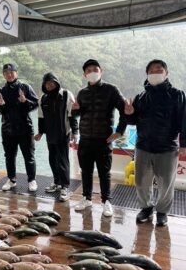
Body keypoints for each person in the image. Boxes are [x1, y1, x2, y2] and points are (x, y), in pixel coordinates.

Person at [124, 59, 186, 226]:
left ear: (167, 73)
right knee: (141, 182)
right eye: (151, 70)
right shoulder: (141, 97)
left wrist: (184, 145)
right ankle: (146, 208)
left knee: (166, 184)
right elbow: (132, 121)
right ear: (147, 74)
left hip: (167, 148)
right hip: (143, 147)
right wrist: (129, 113)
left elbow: (184, 121)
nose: (155, 72)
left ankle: (162, 212)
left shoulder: (178, 95)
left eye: (159, 69)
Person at [72, 59, 127, 216]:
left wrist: (119, 132)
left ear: (101, 70)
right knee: (86, 171)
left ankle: (106, 201)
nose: (92, 72)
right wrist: (74, 110)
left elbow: (124, 110)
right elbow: (76, 114)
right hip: (85, 139)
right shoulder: (82, 93)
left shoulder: (111, 90)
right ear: (84, 74)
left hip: (104, 140)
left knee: (104, 172)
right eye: (88, 71)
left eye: (95, 69)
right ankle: (87, 198)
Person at [0, 63, 39, 192]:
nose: (9, 74)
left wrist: (25, 101)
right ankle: (11, 179)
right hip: (8, 129)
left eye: (12, 72)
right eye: (6, 72)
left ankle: (31, 180)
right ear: (4, 75)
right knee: (9, 156)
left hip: (25, 128)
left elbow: (35, 104)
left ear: (16, 73)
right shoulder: (1, 91)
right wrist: (1, 105)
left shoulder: (25, 87)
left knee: (29, 156)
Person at [34, 72, 78, 202]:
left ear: (57, 82)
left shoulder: (66, 94)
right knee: (52, 159)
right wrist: (40, 133)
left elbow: (72, 115)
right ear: (44, 85)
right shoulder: (43, 99)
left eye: (52, 83)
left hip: (64, 133)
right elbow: (41, 118)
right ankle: (57, 183)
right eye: (47, 83)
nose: (49, 85)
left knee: (63, 160)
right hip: (50, 134)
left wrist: (75, 131)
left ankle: (65, 187)